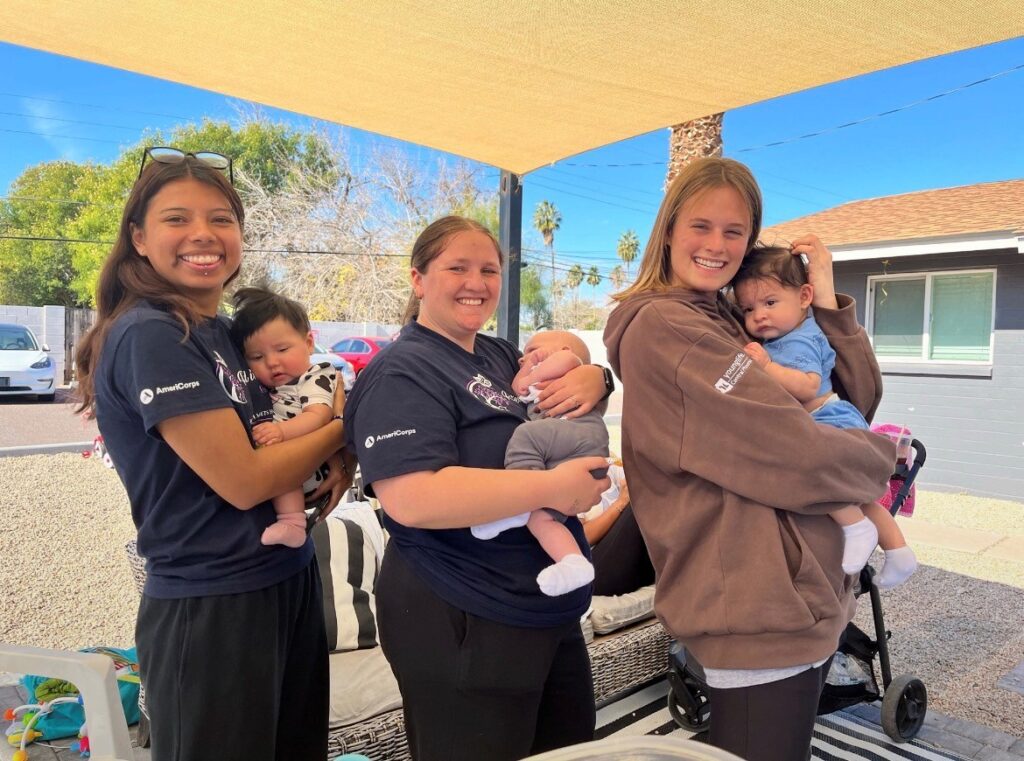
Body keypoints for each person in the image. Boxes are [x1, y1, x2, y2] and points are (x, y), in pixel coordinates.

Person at [603, 157, 896, 761]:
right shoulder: (671, 327)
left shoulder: (725, 316)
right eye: (700, 226)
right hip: (756, 605)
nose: (717, 245)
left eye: (734, 231)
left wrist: (826, 305)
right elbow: (798, 453)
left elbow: (849, 401)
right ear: (668, 229)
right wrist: (882, 459)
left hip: (792, 596)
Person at [74, 148, 350, 761]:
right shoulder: (152, 333)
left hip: (285, 577)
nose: (203, 234)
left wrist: (335, 441)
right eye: (177, 219)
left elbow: (310, 394)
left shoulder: (225, 332)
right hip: (212, 601)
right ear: (139, 238)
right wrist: (341, 432)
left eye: (221, 219)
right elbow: (245, 481)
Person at [343, 216, 612, 761]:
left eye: (489, 270)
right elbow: (412, 498)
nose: (477, 283)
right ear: (418, 279)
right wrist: (551, 487)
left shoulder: (496, 355)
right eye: (457, 268)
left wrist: (599, 377)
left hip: (542, 607)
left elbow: (559, 390)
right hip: (461, 609)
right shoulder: (402, 371)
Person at [732, 246, 918, 589]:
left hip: (826, 418)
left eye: (770, 302)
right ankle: (899, 552)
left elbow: (807, 386)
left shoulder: (798, 340)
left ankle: (855, 527)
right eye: (748, 309)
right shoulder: (789, 333)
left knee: (814, 477)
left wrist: (766, 367)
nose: (759, 316)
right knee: (861, 499)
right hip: (833, 418)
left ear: (805, 297)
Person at [472, 329, 609, 596]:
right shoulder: (533, 374)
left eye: (534, 350)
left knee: (526, 436)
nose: (524, 358)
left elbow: (566, 361)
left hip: (580, 432)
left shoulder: (569, 366)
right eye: (524, 355)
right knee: (541, 518)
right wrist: (527, 370)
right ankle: (573, 562)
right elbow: (518, 389)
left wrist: (540, 364)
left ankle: (515, 504)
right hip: (566, 452)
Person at [231, 286, 338, 548]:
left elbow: (319, 416)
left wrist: (281, 432)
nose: (272, 362)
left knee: (284, 469)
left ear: (309, 343)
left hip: (311, 467)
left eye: (282, 349)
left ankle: (293, 523)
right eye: (257, 357)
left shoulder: (316, 375)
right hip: (285, 468)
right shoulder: (270, 386)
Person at [580, 464, 656, 597]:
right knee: (637, 504)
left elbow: (645, 483)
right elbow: (582, 538)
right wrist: (620, 502)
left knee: (654, 487)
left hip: (632, 561)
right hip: (594, 569)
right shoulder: (567, 483)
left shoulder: (609, 470)